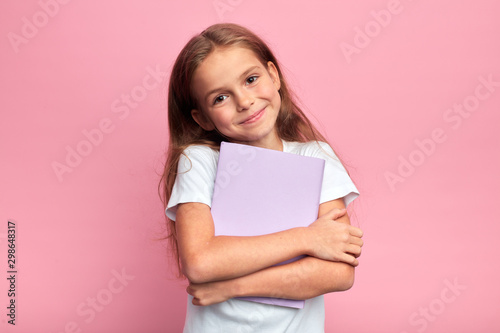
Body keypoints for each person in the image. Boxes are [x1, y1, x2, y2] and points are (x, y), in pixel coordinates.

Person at [160, 23, 364, 332]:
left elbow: (338, 274)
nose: (244, 101)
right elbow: (200, 262)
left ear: (273, 75)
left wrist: (230, 287)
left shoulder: (316, 156)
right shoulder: (200, 161)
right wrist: (308, 238)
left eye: (251, 80)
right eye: (220, 98)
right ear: (201, 117)